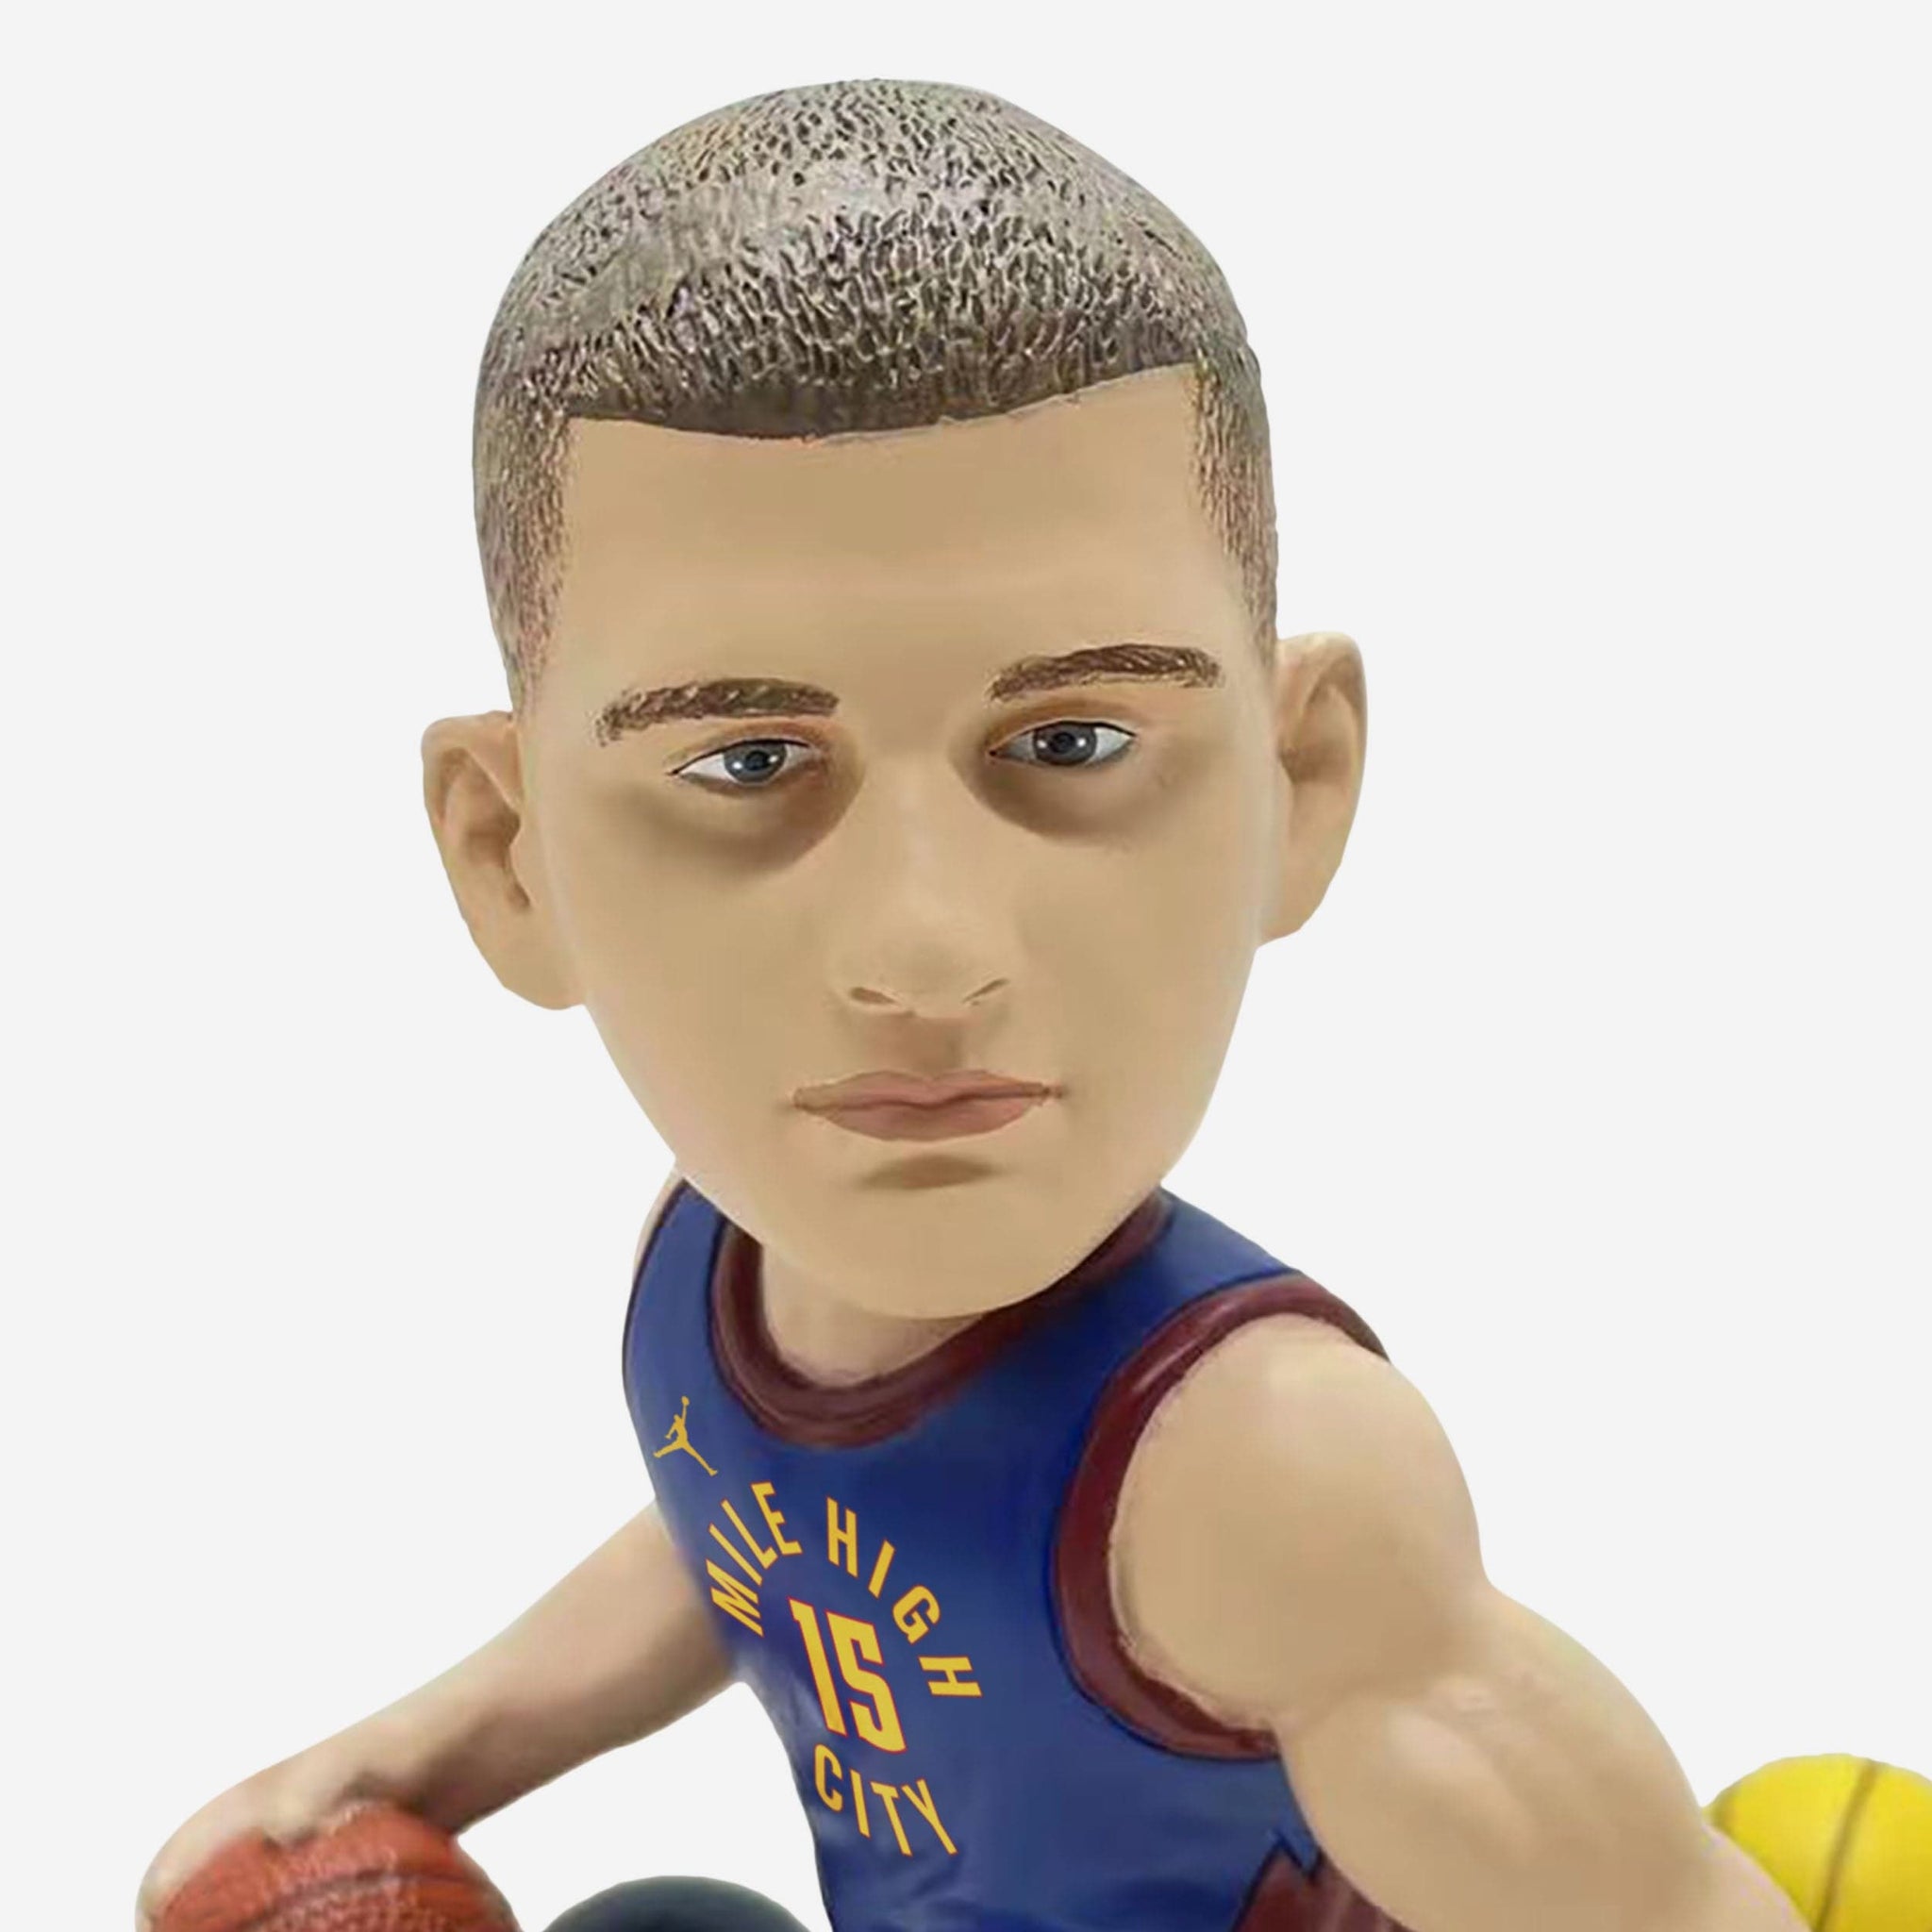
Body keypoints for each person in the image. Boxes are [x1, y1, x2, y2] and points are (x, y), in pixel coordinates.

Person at [136, 76, 1805, 1932]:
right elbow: (762, 1544)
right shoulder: (708, 1273)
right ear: (509, 854)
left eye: (1071, 741)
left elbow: (1663, 1908)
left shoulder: (1260, 1479)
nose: (925, 952)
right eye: (749, 763)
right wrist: (412, 1757)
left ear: (1297, 780)